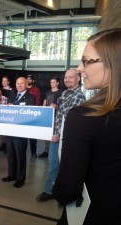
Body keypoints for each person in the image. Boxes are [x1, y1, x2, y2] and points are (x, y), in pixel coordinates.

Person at [52, 28, 121, 225]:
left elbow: (68, 189)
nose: (80, 68)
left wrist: (57, 191)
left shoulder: (83, 116)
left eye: (86, 61)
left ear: (113, 63)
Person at [36, 69, 85, 203]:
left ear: (78, 79)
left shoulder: (78, 96)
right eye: (65, 77)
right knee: (53, 164)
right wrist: (55, 132)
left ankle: (60, 193)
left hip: (67, 138)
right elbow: (59, 116)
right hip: (57, 135)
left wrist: (57, 107)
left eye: (71, 77)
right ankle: (51, 190)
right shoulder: (64, 93)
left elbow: (70, 118)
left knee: (64, 167)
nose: (67, 80)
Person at [2, 77, 35, 188]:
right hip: (10, 130)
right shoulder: (11, 96)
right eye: (17, 83)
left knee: (20, 155)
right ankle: (11, 175)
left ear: (26, 84)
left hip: (21, 131)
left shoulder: (31, 98)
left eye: (21, 83)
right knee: (10, 154)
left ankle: (20, 178)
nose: (19, 85)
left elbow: (30, 114)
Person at [39, 77, 62, 158]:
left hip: (57, 116)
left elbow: (63, 106)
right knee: (47, 133)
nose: (52, 84)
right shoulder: (47, 93)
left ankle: (55, 151)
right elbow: (44, 104)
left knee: (56, 134)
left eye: (54, 82)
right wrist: (43, 112)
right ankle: (46, 150)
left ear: (58, 83)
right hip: (48, 116)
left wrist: (57, 106)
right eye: (51, 82)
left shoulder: (61, 93)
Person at [26, 74, 41, 158]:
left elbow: (38, 102)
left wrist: (35, 113)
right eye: (27, 79)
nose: (28, 80)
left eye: (30, 79)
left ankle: (33, 152)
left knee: (32, 135)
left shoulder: (36, 89)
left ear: (33, 81)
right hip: (24, 114)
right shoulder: (23, 88)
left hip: (33, 114)